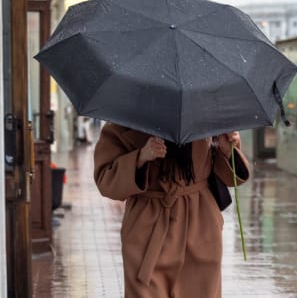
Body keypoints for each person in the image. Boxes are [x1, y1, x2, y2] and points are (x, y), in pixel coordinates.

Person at [94, 123, 249, 298]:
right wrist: (140, 157)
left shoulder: (207, 116)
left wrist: (228, 151)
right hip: (147, 230)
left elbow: (230, 177)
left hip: (200, 226)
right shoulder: (125, 118)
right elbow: (105, 178)